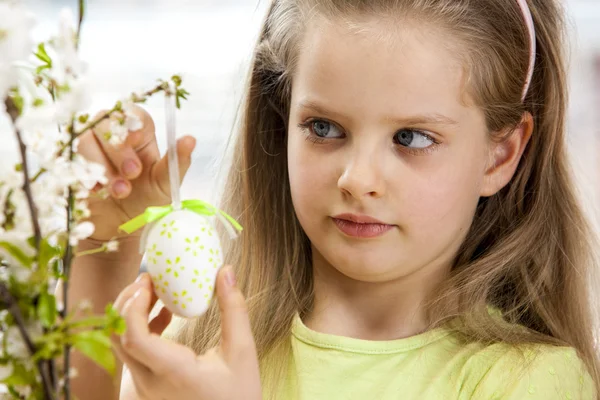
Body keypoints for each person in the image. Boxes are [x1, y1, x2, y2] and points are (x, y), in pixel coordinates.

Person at [64, 0, 600, 398]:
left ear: (499, 155)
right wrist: (103, 249)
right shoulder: (203, 345)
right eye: (324, 127)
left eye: (411, 138)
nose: (357, 178)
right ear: (282, 123)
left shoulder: (528, 381)